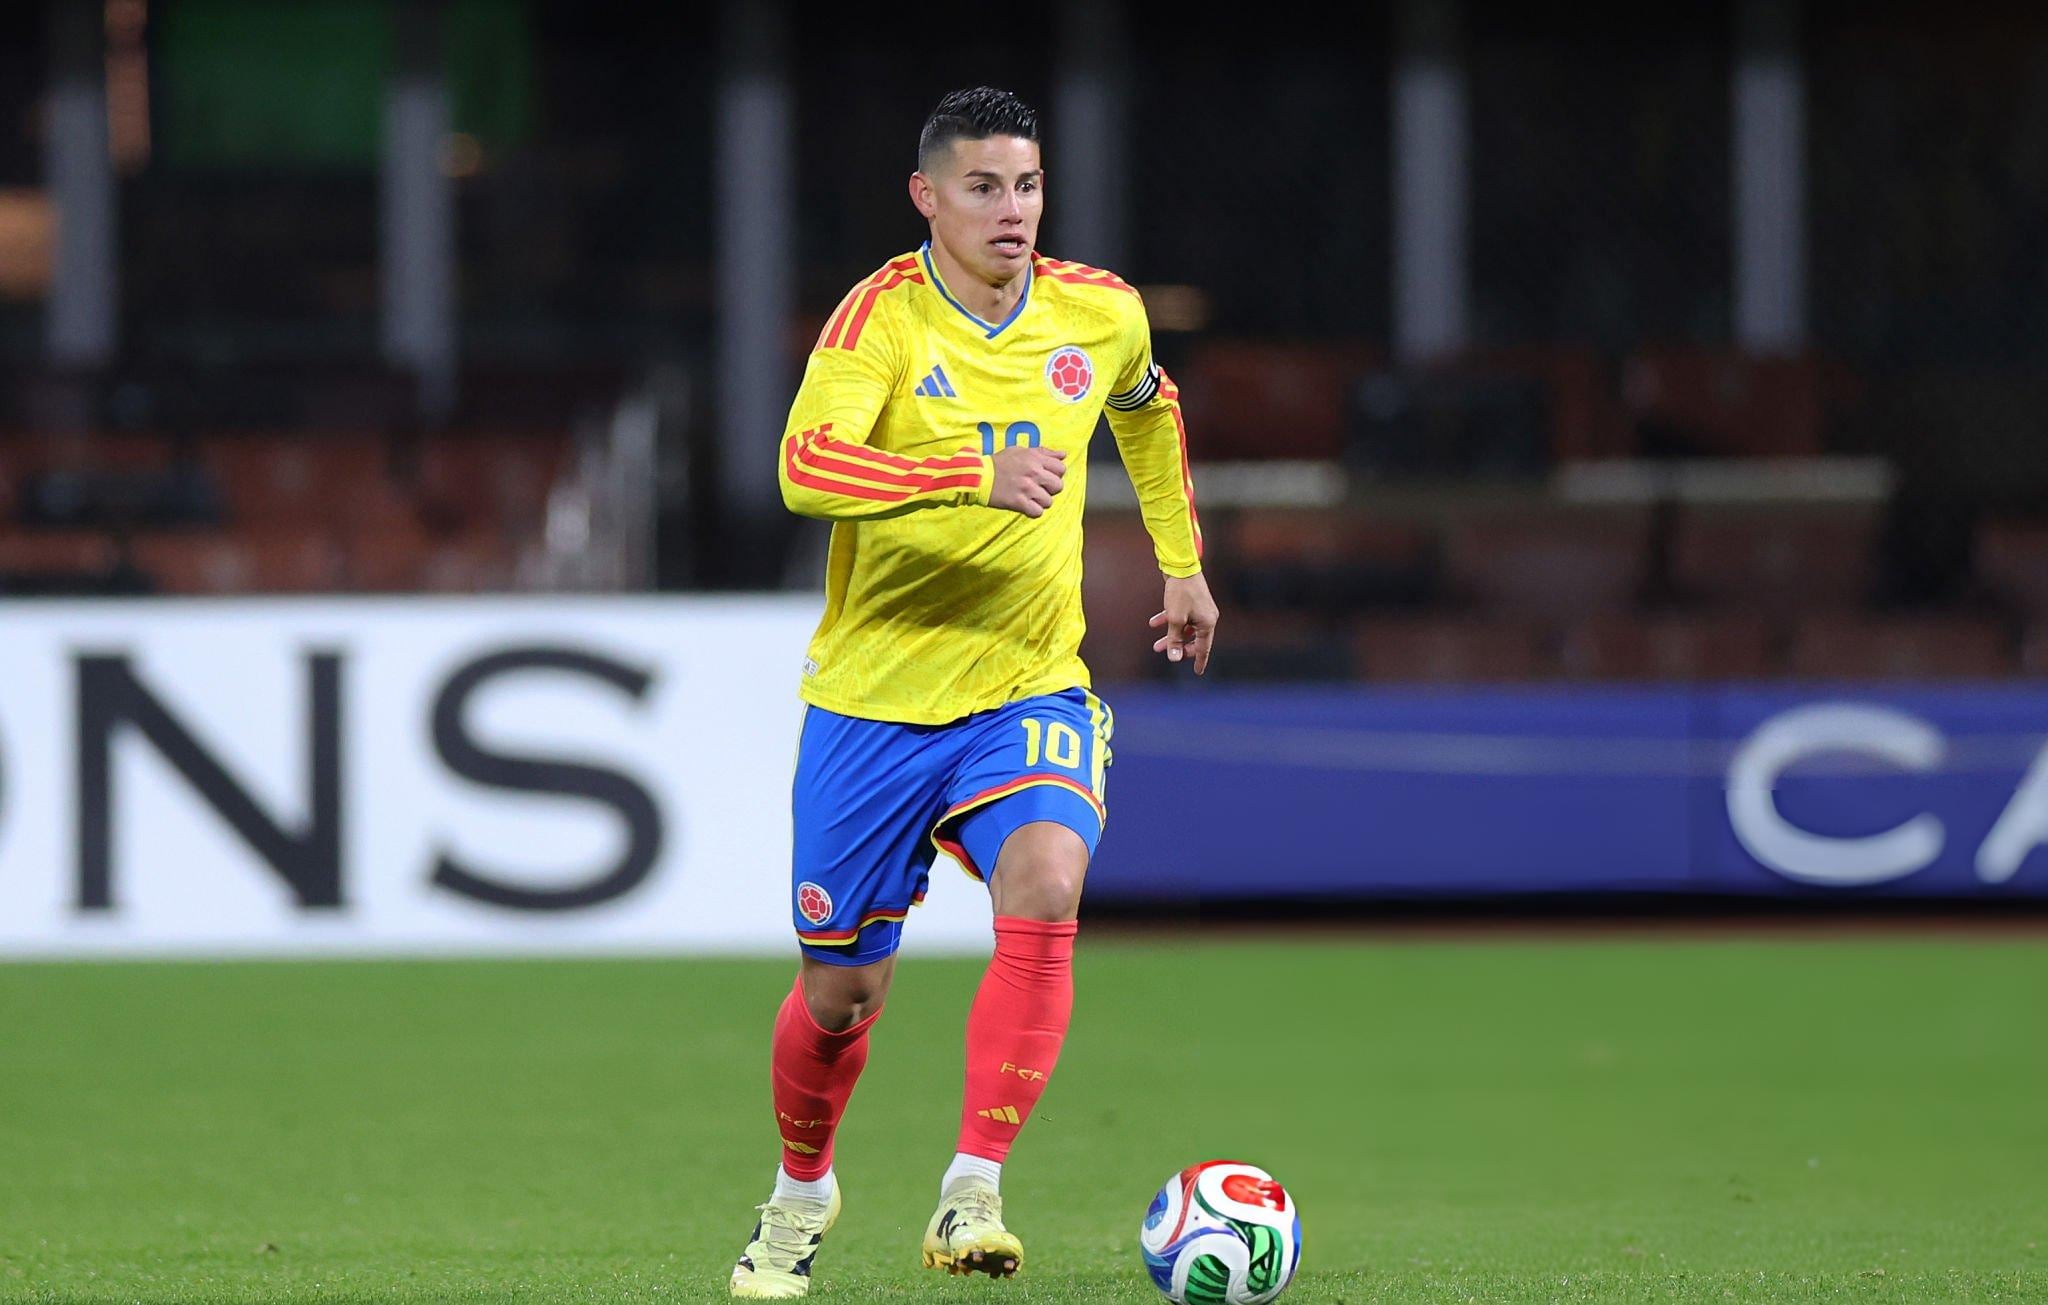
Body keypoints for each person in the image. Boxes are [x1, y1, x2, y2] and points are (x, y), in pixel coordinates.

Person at [730, 86, 1217, 1299]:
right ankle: (800, 1193)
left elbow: (1147, 413)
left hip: (1025, 682)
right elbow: (801, 468)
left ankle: (972, 1190)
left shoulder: (1096, 311)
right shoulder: (878, 320)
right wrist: (967, 467)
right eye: (986, 187)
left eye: (1029, 184)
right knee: (839, 996)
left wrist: (1182, 563)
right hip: (874, 698)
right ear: (927, 198)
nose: (1013, 211)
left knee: (1047, 879)